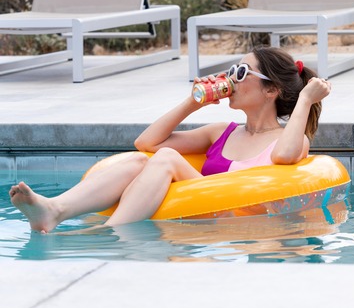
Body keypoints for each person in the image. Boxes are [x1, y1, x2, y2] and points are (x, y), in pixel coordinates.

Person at [9, 47, 331, 233]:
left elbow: (286, 157)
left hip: (236, 220)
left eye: (242, 73)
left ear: (272, 90)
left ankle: (106, 234)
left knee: (166, 160)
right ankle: (56, 209)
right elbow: (146, 143)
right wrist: (194, 102)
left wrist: (304, 100)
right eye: (232, 69)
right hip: (198, 210)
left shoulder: (289, 140)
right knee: (140, 161)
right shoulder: (222, 132)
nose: (231, 78)